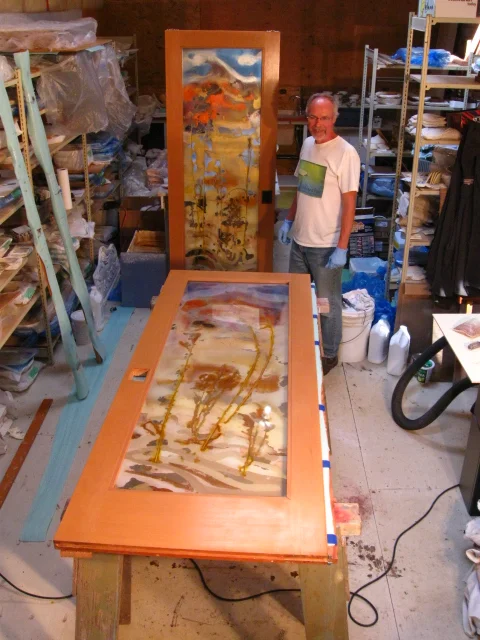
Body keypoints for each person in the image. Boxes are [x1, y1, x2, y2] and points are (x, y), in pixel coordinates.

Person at [278, 93, 360, 374]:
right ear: (307, 118)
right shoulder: (308, 144)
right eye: (313, 117)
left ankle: (330, 354)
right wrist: (289, 220)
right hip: (300, 241)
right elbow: (303, 189)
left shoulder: (346, 153)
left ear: (334, 118)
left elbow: (350, 204)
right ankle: (303, 343)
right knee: (298, 297)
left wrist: (342, 247)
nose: (318, 124)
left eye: (324, 118)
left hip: (326, 246)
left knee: (327, 304)